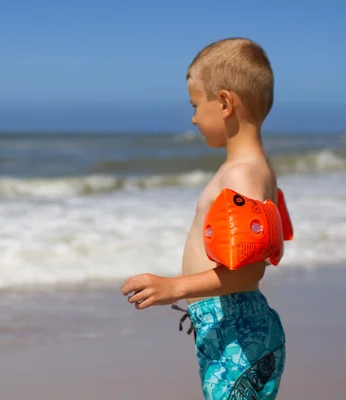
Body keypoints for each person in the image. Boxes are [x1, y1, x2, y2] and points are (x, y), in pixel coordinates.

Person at [121, 37, 287, 399]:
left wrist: (174, 287)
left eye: (196, 105)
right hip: (234, 329)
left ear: (225, 103)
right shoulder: (254, 170)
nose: (193, 117)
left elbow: (249, 271)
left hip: (238, 335)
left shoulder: (241, 174)